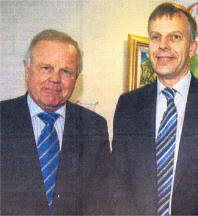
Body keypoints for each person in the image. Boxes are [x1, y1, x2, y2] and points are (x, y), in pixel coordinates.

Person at [109, 2, 198, 215]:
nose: (163, 45)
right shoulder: (129, 106)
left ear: (192, 48)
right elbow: (117, 183)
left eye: (175, 37)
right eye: (156, 37)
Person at [0, 29, 110, 215]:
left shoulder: (94, 127)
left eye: (66, 71)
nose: (55, 79)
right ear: (27, 70)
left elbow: (102, 203)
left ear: (76, 78)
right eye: (46, 68)